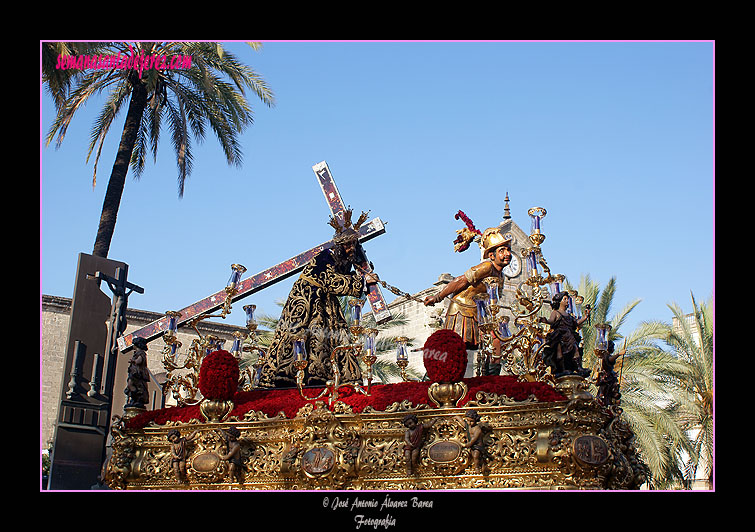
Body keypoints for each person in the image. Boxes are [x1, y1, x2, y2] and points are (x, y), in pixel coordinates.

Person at [258, 209, 379, 388]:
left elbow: (341, 279)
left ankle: (331, 377)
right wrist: (362, 280)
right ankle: (288, 376)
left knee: (330, 339)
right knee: (298, 335)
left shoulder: (344, 260)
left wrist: (363, 274)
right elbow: (330, 281)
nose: (351, 248)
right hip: (305, 300)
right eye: (347, 245)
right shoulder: (326, 257)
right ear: (339, 246)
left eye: (353, 244)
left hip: (325, 301)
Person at [424, 227, 512, 375]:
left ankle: (489, 379)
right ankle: (432, 377)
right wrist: (438, 297)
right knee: (454, 347)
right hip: (461, 310)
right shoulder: (486, 266)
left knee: (494, 342)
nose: (507, 254)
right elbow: (461, 281)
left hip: (479, 313)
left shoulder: (500, 276)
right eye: (502, 251)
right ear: (491, 255)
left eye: (507, 250)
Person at [539, 291, 591, 377]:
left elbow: (576, 323)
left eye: (567, 299)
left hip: (570, 336)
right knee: (560, 352)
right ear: (560, 301)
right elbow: (551, 321)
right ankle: (561, 369)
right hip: (560, 336)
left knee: (575, 349)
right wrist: (545, 321)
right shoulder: (556, 313)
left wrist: (585, 317)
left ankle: (578, 367)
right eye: (565, 299)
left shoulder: (569, 315)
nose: (567, 301)